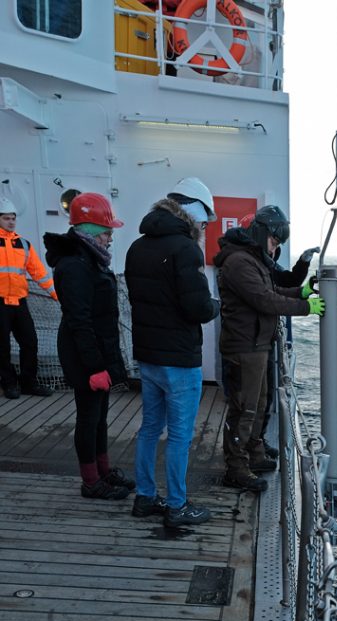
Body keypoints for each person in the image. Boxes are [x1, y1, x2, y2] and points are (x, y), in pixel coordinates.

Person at [125, 177, 220, 527]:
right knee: (180, 435)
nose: (205, 228)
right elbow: (196, 307)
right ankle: (177, 506)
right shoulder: (185, 249)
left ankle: (145, 498)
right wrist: (214, 306)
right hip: (179, 359)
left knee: (150, 428)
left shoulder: (137, 247)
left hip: (148, 355)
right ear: (195, 212)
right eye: (205, 221)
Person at [215, 204, 324, 493]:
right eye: (274, 241)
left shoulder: (253, 259)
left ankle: (253, 453)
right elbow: (264, 300)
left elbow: (273, 291)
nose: (275, 247)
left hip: (257, 344)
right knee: (244, 409)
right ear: (263, 232)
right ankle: (236, 468)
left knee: (259, 404)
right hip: (245, 347)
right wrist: (305, 307)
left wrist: (300, 291)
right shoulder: (239, 262)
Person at [43, 193, 135, 500]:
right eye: (108, 232)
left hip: (97, 352)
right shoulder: (74, 266)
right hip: (84, 356)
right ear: (94, 233)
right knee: (88, 417)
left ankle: (103, 470)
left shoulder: (90, 259)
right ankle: (91, 481)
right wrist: (95, 367)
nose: (111, 238)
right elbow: (79, 320)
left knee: (99, 418)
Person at [0, 196, 57, 399]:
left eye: (13, 218)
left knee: (30, 342)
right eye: (6, 218)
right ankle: (9, 384)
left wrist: (57, 295)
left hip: (19, 302)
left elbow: (39, 273)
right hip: (1, 303)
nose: (11, 222)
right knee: (2, 348)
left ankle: (28, 383)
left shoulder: (23, 245)